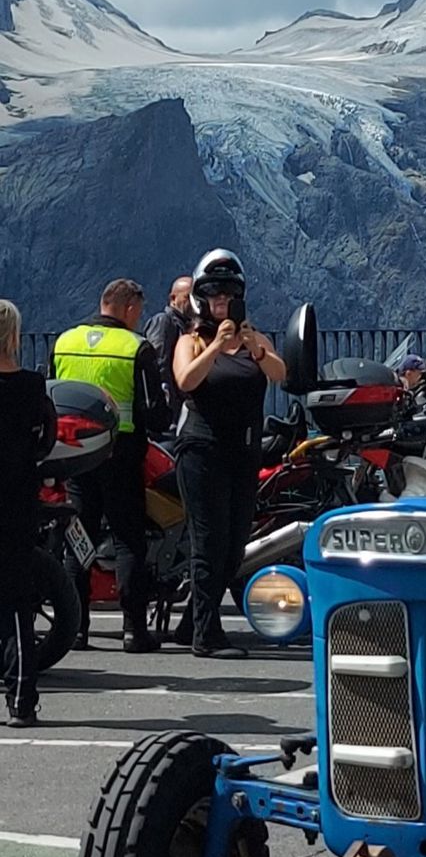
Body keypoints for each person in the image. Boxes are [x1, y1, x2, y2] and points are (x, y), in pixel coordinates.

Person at [171, 250, 286, 658]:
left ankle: (190, 622)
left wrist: (253, 346)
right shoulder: (192, 340)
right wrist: (215, 347)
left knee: (235, 545)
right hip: (202, 450)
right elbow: (185, 379)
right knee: (209, 542)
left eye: (229, 294)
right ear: (204, 299)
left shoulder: (255, 340)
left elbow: (280, 374)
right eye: (215, 294)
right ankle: (207, 635)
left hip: (243, 452)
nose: (222, 300)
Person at [53, 277, 170, 653]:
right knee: (127, 539)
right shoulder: (136, 347)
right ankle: (134, 629)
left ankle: (76, 628)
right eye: (139, 310)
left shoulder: (65, 341)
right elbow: (155, 412)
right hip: (120, 454)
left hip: (74, 455)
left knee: (79, 539)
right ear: (130, 307)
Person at [0, 300, 56, 726]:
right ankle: (21, 697)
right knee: (18, 598)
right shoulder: (33, 387)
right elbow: (46, 439)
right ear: (15, 338)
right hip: (17, 499)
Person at [144, 274, 193, 420]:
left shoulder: (186, 327)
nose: (192, 302)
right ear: (173, 298)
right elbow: (158, 365)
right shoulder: (164, 322)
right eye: (187, 297)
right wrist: (168, 410)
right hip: (169, 417)